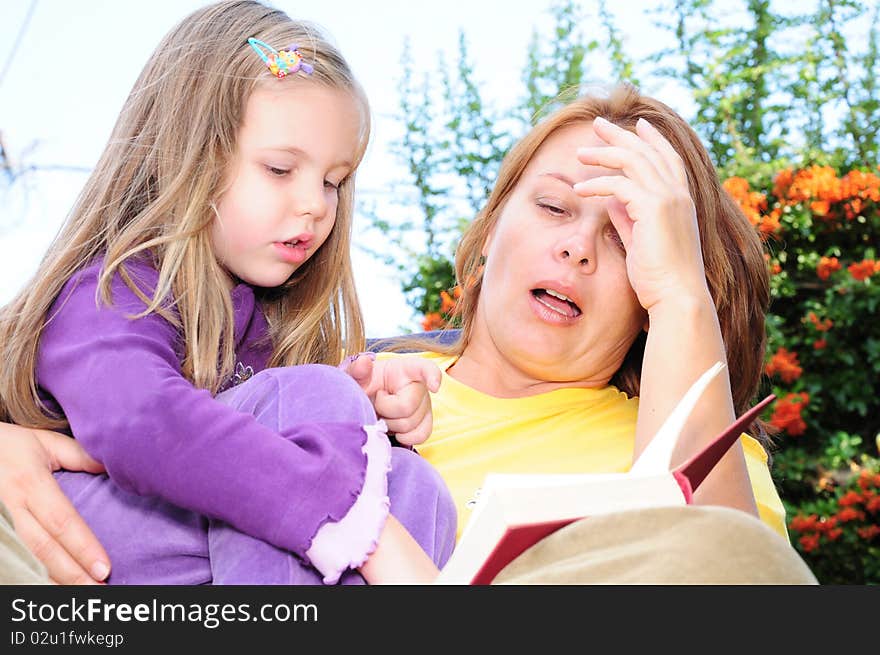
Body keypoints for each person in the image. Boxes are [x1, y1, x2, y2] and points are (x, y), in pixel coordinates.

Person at [0, 83, 818, 584]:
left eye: (628, 237)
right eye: (556, 208)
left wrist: (681, 293)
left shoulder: (694, 455)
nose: (576, 245)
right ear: (492, 226)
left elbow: (735, 585)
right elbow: (140, 416)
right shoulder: (338, 373)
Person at [0, 0, 458, 586]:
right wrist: (346, 513)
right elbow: (143, 424)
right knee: (316, 410)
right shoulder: (111, 288)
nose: (315, 204)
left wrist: (365, 414)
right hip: (94, 539)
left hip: (211, 551)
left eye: (333, 182)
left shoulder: (268, 319)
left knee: (417, 485)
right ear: (187, 157)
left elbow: (259, 415)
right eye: (279, 170)